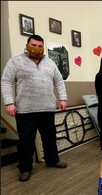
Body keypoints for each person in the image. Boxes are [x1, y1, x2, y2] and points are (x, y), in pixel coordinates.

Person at [1, 34, 68, 182]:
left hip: (47, 108)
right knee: (26, 140)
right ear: (27, 45)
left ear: (43, 47)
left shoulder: (50, 63)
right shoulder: (16, 61)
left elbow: (59, 81)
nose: (36, 48)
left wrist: (63, 98)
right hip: (25, 110)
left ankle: (52, 160)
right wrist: (9, 102)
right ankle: (25, 168)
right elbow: (6, 81)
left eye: (39, 46)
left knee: (50, 137)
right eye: (33, 45)